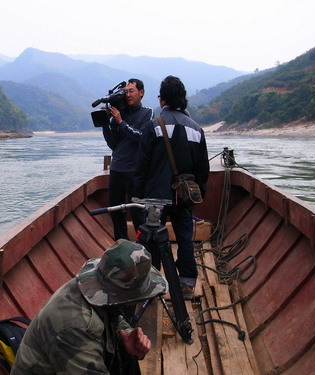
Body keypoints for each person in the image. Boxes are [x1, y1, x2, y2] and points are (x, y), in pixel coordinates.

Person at [11, 239, 168, 375]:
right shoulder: (76, 327)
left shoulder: (94, 290)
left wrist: (127, 335)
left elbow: (114, 317)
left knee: (127, 358)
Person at [134, 75, 209, 300]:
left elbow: (142, 165)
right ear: (183, 99)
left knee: (153, 238)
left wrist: (138, 195)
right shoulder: (196, 129)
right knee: (185, 237)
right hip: (184, 196)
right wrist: (199, 194)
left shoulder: (153, 126)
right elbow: (202, 169)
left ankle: (152, 284)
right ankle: (186, 283)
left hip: (156, 196)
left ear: (162, 99)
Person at [102, 78, 154, 240]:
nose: (128, 95)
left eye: (131, 91)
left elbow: (142, 139)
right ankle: (121, 245)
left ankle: (142, 247)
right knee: (115, 211)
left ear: (141, 92)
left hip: (135, 171)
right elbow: (114, 145)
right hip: (117, 169)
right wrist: (106, 125)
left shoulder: (147, 113)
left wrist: (121, 122)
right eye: (126, 92)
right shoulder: (119, 113)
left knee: (138, 213)